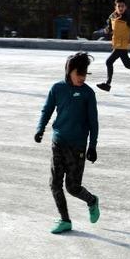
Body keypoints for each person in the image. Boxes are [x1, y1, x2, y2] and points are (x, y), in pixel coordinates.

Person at [35, 52, 101, 234]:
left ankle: (92, 200)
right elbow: (47, 110)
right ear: (69, 70)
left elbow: (93, 122)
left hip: (78, 146)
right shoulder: (57, 88)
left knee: (72, 187)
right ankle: (65, 220)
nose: (82, 77)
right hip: (59, 142)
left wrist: (92, 146)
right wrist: (40, 128)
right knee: (55, 183)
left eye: (85, 73)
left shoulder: (88, 93)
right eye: (78, 72)